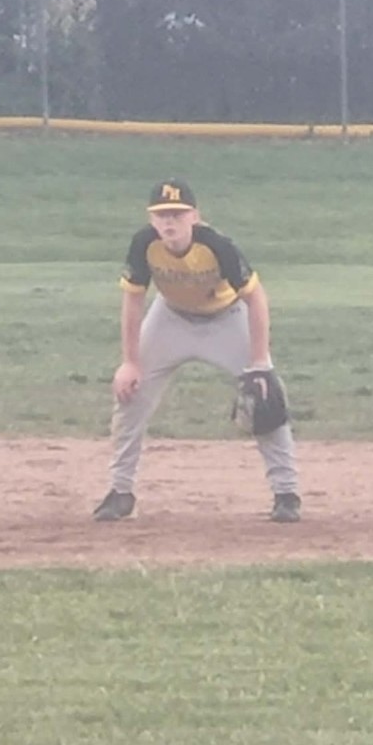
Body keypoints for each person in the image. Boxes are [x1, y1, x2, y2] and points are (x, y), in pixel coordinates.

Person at [93, 178, 302, 523]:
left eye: (177, 213)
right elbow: (133, 299)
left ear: (195, 216)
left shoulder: (217, 245)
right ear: (151, 220)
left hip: (226, 317)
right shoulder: (144, 244)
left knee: (266, 398)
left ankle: (286, 493)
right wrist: (130, 362)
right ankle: (120, 492)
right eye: (162, 215)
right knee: (131, 395)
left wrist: (260, 363)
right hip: (170, 318)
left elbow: (256, 298)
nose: (169, 222)